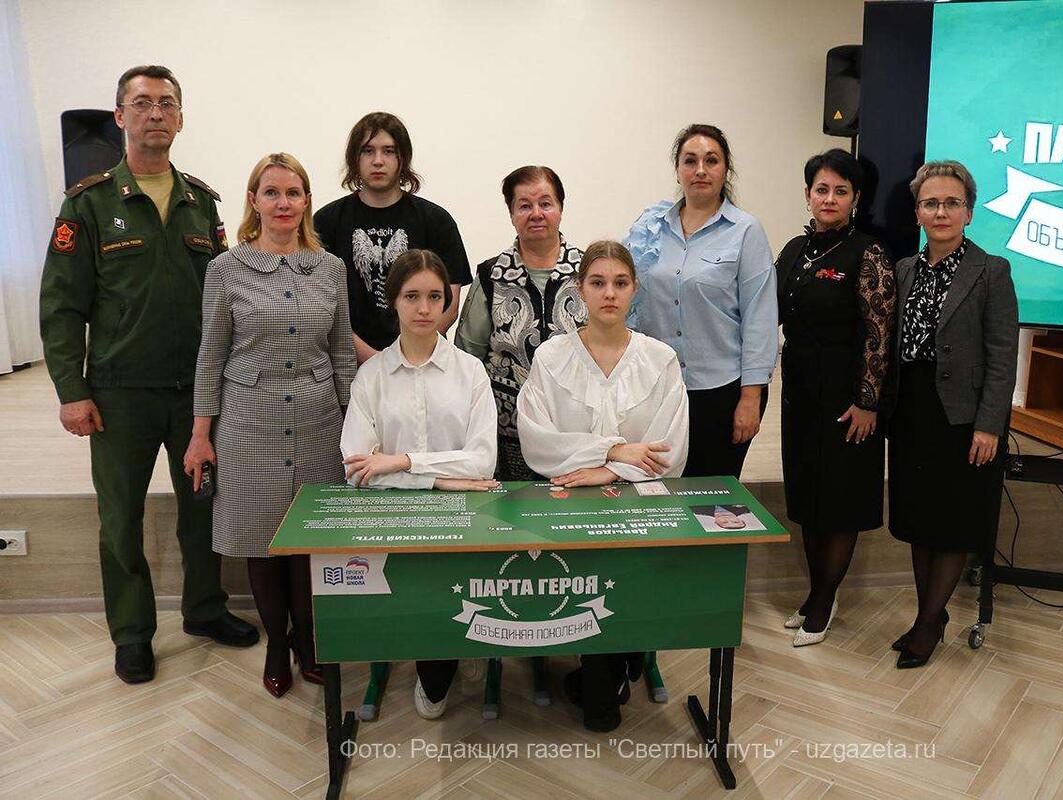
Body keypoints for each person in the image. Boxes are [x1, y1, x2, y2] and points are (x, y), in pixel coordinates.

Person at [39, 65, 258, 684]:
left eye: (166, 103)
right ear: (120, 116)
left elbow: (224, 299)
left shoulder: (201, 203)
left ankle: (204, 610)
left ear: (181, 118)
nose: (155, 113)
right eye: (141, 103)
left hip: (195, 394)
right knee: (120, 519)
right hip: (119, 394)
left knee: (201, 511)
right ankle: (133, 633)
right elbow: (61, 305)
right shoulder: (88, 203)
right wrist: (71, 390)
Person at [185, 153, 356, 697]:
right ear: (253, 201)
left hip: (318, 418)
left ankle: (308, 641)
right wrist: (200, 434)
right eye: (272, 192)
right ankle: (277, 647)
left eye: (293, 193)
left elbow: (341, 351)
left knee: (307, 541)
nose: (283, 203)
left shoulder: (330, 268)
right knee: (260, 539)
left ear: (306, 201)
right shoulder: (225, 269)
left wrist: (357, 427)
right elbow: (211, 354)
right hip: (248, 419)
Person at [517, 240, 688, 731]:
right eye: (598, 282)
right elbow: (538, 441)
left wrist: (610, 471)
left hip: (638, 504)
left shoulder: (660, 359)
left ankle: (619, 662)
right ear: (580, 289)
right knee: (588, 583)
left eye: (620, 282)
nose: (609, 293)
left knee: (627, 579)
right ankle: (608, 669)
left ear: (635, 288)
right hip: (570, 502)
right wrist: (613, 450)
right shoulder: (552, 356)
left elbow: (669, 449)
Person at [340, 249, 498, 719]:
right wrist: (441, 481)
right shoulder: (371, 377)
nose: (424, 308)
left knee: (455, 594)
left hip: (466, 521)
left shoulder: (471, 372)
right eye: (412, 296)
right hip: (395, 521)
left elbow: (482, 462)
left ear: (448, 303)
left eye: (434, 297)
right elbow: (359, 470)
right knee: (420, 598)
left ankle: (460, 648)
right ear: (393, 300)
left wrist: (402, 462)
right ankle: (438, 655)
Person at [884, 160, 1018, 669]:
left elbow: (1002, 356)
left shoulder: (992, 271)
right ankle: (931, 615)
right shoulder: (903, 270)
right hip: (912, 413)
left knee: (953, 523)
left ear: (969, 212)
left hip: (963, 420)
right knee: (920, 521)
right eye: (930, 203)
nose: (941, 212)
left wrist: (989, 425)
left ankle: (926, 625)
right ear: (918, 212)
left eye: (952, 203)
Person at [775, 149, 896, 647]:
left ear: (855, 198)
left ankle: (824, 601)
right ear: (808, 194)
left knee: (840, 504)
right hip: (800, 395)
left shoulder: (869, 254)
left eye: (840, 191)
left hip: (848, 401)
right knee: (808, 500)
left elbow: (879, 332)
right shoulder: (792, 251)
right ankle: (815, 592)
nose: (829, 198)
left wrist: (868, 400)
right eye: (821, 189)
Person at [624, 123, 777, 479]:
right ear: (678, 170)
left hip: (721, 391)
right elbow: (630, 301)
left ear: (726, 169)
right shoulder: (650, 227)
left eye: (711, 160)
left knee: (712, 498)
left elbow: (760, 317)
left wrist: (751, 398)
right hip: (657, 389)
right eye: (690, 161)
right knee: (657, 491)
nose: (701, 170)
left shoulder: (746, 231)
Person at [455, 165, 588, 480]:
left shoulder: (589, 272)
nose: (536, 213)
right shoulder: (491, 275)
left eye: (546, 203)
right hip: (506, 430)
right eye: (525, 206)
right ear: (512, 213)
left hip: (576, 431)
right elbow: (466, 357)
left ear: (561, 209)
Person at [314, 112, 471, 363]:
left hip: (420, 363)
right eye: (367, 151)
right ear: (354, 158)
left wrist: (405, 358)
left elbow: (448, 306)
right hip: (347, 366)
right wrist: (377, 362)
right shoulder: (326, 222)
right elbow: (320, 305)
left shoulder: (436, 221)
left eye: (388, 151)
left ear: (403, 158)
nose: (378, 161)